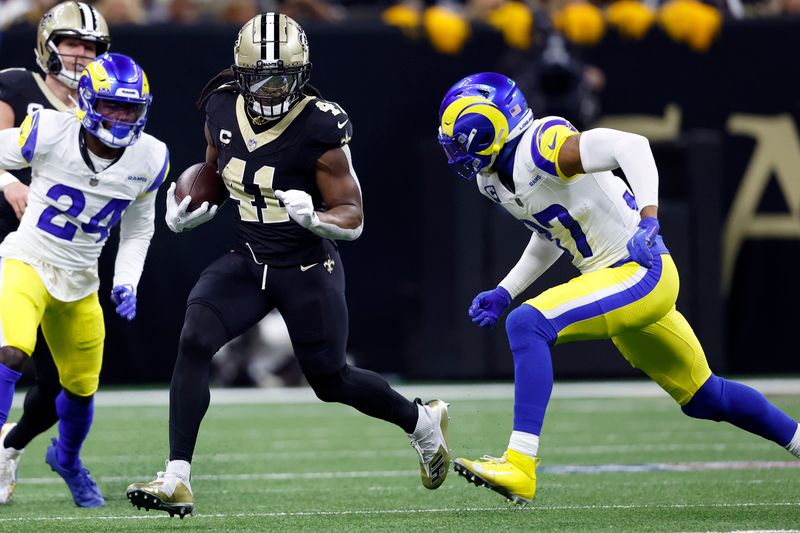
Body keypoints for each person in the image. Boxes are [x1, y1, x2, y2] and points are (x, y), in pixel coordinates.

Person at [125, 12, 450, 519]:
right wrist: (185, 212)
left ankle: (421, 422)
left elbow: (354, 214)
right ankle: (177, 477)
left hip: (305, 266)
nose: (274, 89)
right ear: (240, 72)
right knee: (193, 339)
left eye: (284, 77)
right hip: (248, 257)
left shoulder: (320, 123)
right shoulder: (219, 107)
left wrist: (320, 219)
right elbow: (212, 170)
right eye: (262, 77)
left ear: (303, 74)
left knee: (330, 380)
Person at [437, 72, 800, 505]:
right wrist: (506, 288)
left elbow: (632, 146)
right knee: (705, 397)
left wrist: (649, 217)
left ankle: (520, 463)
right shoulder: (492, 179)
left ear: (491, 123)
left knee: (527, 325)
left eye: (460, 138)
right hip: (615, 278)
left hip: (639, 269)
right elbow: (551, 230)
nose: (456, 150)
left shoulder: (544, 145)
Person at [0, 52, 168, 507]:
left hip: (81, 280)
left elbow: (138, 229)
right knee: (12, 349)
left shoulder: (150, 157)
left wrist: (128, 280)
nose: (120, 116)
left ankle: (68, 460)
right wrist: (6, 181)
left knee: (80, 389)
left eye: (129, 108)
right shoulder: (50, 129)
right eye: (112, 105)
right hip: (28, 259)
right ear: (90, 102)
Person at [0, 1, 112, 506]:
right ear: (49, 45)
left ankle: (11, 448)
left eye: (90, 47)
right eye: (72, 43)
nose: (80, 54)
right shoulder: (19, 86)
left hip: (63, 258)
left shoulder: (104, 105)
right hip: (10, 243)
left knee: (54, 393)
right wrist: (6, 182)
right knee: (8, 352)